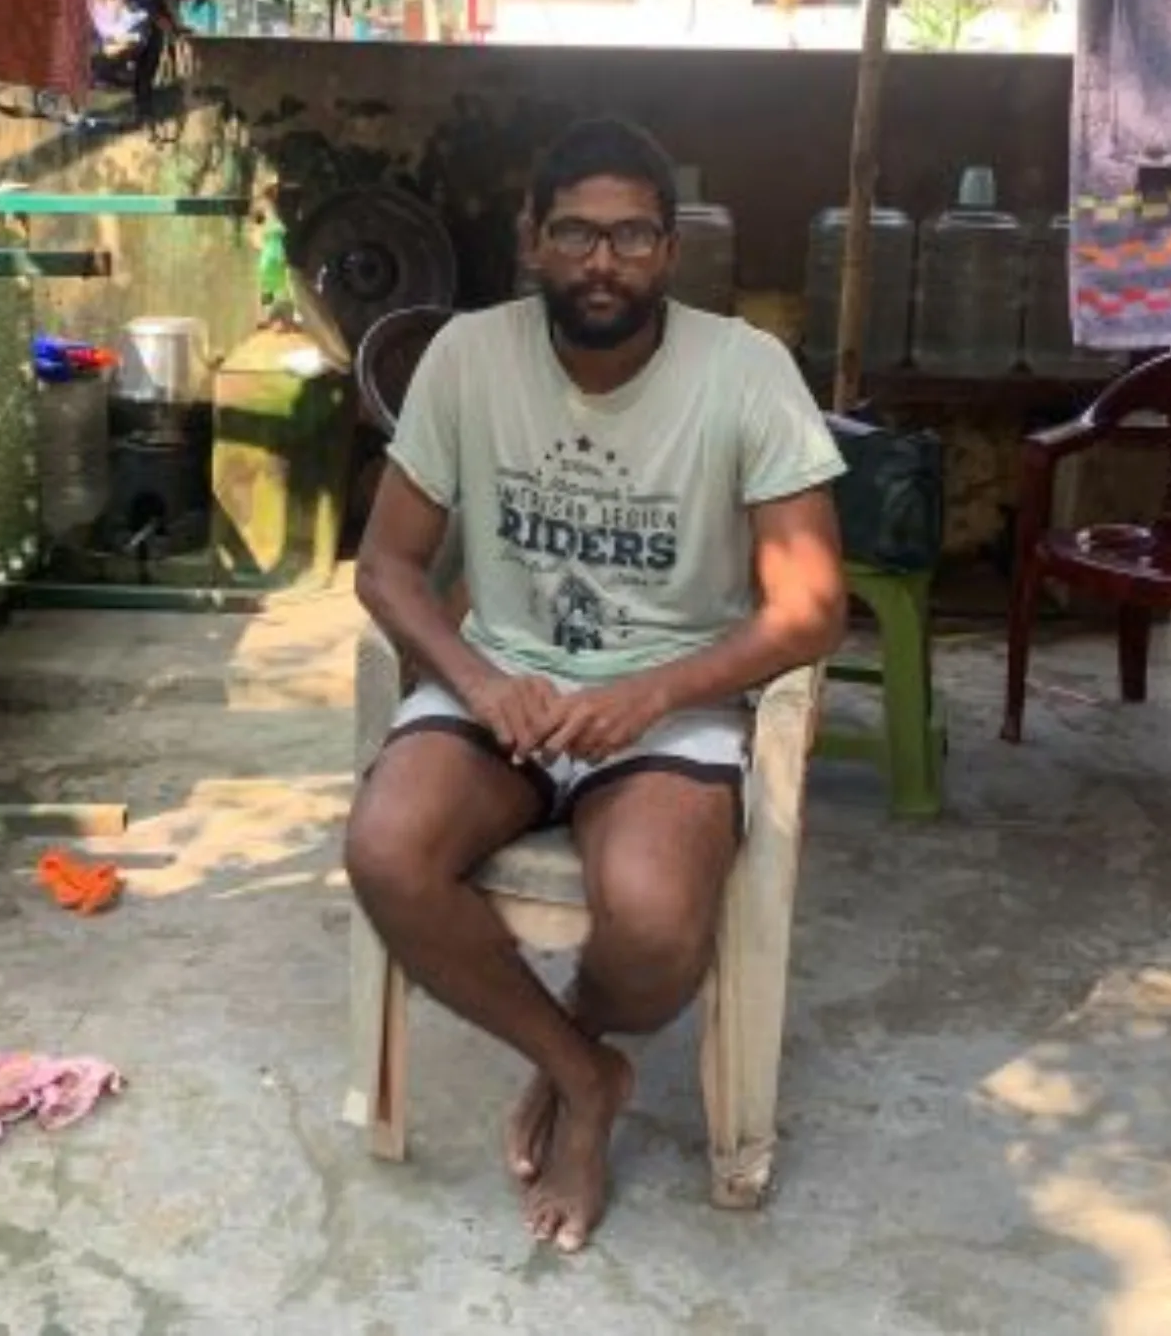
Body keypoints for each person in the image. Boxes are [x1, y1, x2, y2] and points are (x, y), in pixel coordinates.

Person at [346, 117, 848, 1252]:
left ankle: (563, 1042)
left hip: (668, 704)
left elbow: (814, 605)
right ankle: (585, 1076)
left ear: (671, 250)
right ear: (532, 240)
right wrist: (474, 679)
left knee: (660, 920)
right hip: (504, 694)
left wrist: (656, 693)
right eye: (575, 231)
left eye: (631, 235)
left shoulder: (746, 371)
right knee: (386, 849)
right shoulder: (468, 357)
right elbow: (386, 566)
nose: (602, 260)